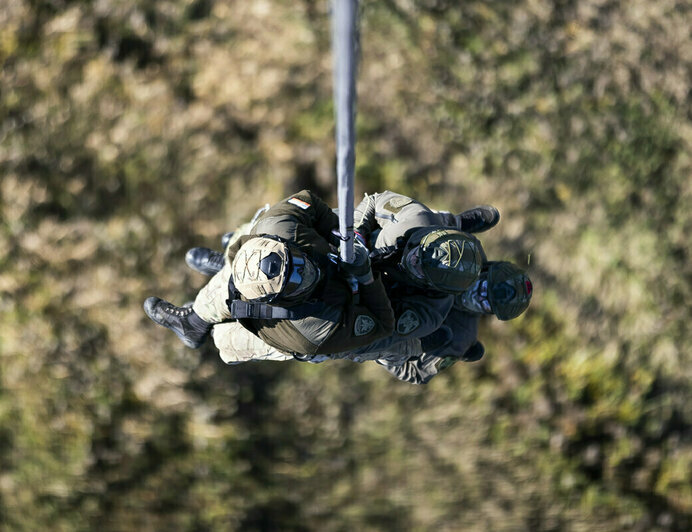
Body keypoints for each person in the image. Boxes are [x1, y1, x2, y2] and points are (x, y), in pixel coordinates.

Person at [143, 190, 396, 361]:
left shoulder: (278, 225)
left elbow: (310, 200)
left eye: (295, 261)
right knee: (226, 340)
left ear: (281, 243)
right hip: (292, 329)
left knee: (249, 232)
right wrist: (366, 277)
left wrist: (339, 238)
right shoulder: (313, 330)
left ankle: (227, 265)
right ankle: (194, 324)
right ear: (276, 300)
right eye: (296, 280)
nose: (306, 270)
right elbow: (383, 324)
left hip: (254, 244)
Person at [351, 191, 532, 383]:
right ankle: (457, 222)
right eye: (484, 287)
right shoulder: (470, 252)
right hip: (393, 255)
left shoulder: (459, 338)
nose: (479, 297)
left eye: (487, 303)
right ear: (486, 269)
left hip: (388, 307)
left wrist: (398, 349)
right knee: (434, 228)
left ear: (490, 313)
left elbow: (414, 373)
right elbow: (412, 219)